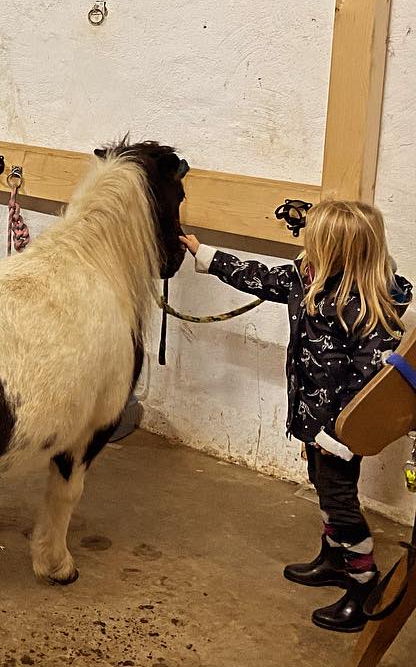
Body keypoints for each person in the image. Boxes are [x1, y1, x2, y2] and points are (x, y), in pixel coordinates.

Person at [182, 199, 410, 632]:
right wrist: (207, 256)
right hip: (311, 415)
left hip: (340, 430)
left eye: (314, 240)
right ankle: (333, 559)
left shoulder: (365, 307)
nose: (305, 246)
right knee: (323, 490)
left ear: (338, 250)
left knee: (340, 502)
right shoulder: (307, 278)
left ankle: (363, 584)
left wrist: (341, 433)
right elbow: (261, 278)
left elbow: (368, 382)